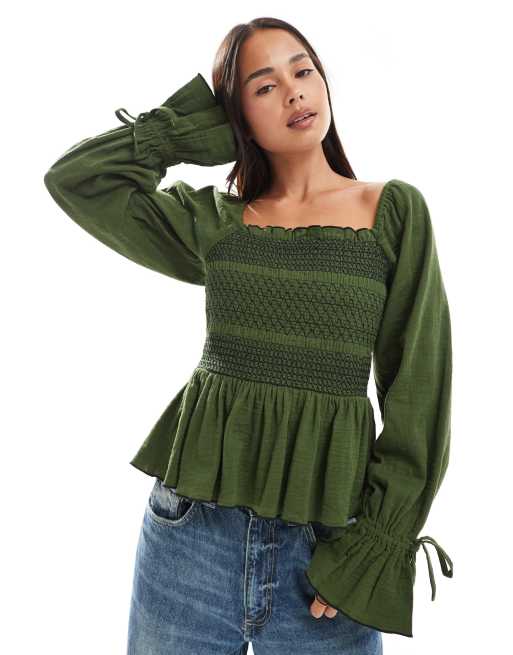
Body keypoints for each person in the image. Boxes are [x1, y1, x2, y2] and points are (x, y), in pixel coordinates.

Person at [43, 16, 453, 655]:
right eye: (263, 87)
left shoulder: (392, 213)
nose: (293, 92)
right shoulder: (216, 221)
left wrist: (374, 550)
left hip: (325, 555)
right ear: (236, 116)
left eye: (303, 71)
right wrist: (191, 131)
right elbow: (76, 179)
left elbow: (418, 392)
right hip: (189, 540)